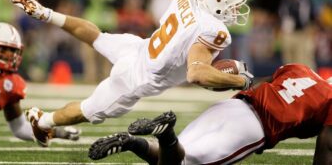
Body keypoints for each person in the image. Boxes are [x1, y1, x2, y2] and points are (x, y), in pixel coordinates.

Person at [7, 0, 253, 146]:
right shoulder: (213, 29)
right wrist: (240, 81)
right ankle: (43, 120)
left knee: (98, 37)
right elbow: (197, 73)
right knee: (87, 111)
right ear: (217, 2)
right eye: (232, 4)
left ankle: (46, 13)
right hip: (136, 78)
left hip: (139, 48)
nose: (235, 10)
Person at [88, 63, 332, 164]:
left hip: (232, 107)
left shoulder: (301, 69)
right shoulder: (329, 99)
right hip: (255, 129)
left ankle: (134, 142)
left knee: (179, 156)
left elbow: (256, 84)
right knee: (185, 162)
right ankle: (165, 134)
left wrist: (229, 76)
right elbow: (326, 146)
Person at [0, 22, 79, 148]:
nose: (9, 55)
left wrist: (56, 133)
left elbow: (20, 128)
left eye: (13, 50)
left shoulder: (12, 84)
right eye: (3, 49)